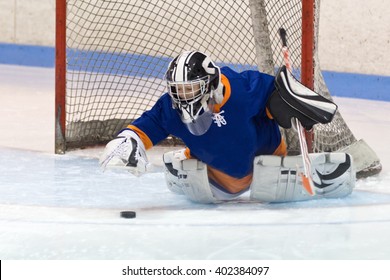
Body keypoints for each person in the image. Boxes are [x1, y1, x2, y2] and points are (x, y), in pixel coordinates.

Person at [100, 50, 355, 203]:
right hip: (214, 178)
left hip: (265, 158)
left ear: (210, 83)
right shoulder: (170, 108)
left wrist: (289, 98)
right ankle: (191, 160)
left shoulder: (242, 88)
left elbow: (276, 91)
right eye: (177, 90)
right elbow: (144, 128)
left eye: (190, 89)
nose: (183, 97)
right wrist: (128, 143)